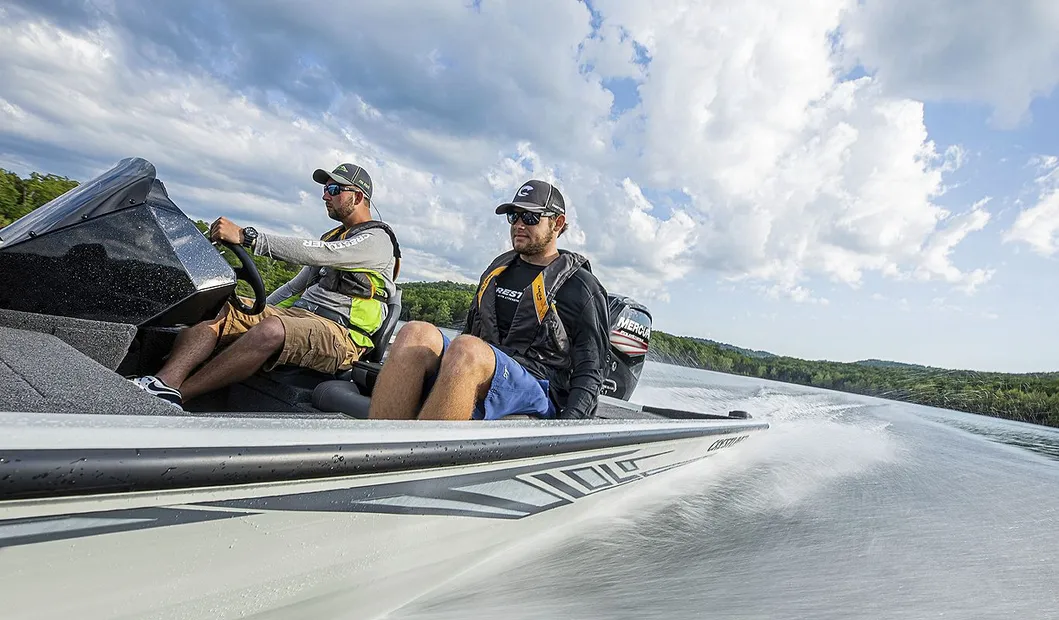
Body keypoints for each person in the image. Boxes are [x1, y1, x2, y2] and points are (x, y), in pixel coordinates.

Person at [130, 163, 401, 408]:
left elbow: (322, 254)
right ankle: (162, 384)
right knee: (220, 305)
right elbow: (294, 287)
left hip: (344, 336)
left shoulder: (377, 240)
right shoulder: (334, 236)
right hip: (300, 318)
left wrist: (249, 237)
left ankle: (179, 396)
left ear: (358, 196)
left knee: (272, 329)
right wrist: (252, 312)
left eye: (333, 189)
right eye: (325, 189)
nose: (325, 196)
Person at [368, 179, 609, 421]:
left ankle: (420, 455)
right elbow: (470, 330)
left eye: (531, 217)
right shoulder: (498, 270)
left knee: (466, 349)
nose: (519, 224)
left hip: (538, 384)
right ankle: (378, 449)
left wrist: (568, 429)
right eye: (514, 216)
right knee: (414, 332)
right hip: (485, 365)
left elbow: (591, 370)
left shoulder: (582, 287)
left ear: (558, 223)